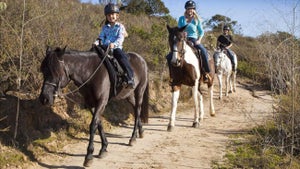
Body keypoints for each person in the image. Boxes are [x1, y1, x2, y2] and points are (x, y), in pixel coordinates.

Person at [95, 3, 134, 88]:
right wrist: (96, 43)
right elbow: (101, 37)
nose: (110, 16)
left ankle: (130, 77)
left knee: (121, 57)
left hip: (115, 48)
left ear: (117, 16)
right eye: (108, 15)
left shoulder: (120, 27)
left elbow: (120, 39)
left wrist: (114, 44)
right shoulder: (105, 27)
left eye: (112, 14)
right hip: (104, 48)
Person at [178, 0, 211, 82]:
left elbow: (201, 32)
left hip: (193, 39)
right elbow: (179, 30)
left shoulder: (196, 19)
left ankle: (206, 73)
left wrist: (199, 40)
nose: (190, 10)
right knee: (172, 53)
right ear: (186, 9)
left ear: (194, 9)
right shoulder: (181, 19)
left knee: (203, 51)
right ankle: (173, 75)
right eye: (189, 8)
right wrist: (182, 33)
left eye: (192, 8)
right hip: (183, 39)